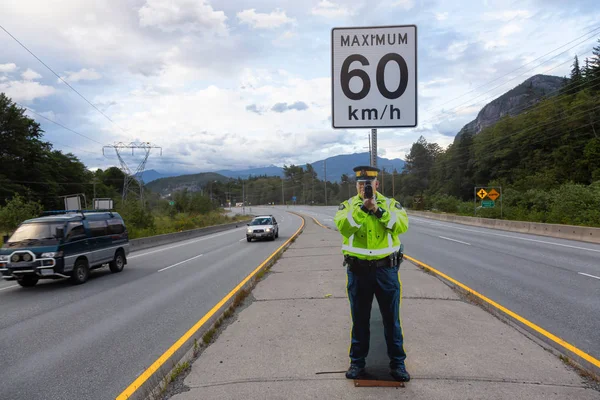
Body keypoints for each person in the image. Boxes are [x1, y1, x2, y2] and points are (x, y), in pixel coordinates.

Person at [334, 165, 410, 382]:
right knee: (359, 320)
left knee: (391, 321)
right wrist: (364, 209)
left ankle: (398, 365)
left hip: (386, 271)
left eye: (368, 184)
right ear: (356, 185)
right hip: (358, 271)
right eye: (360, 184)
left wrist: (378, 210)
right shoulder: (348, 206)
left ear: (377, 184)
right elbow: (344, 227)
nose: (363, 188)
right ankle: (357, 363)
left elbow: (402, 225)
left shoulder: (390, 204)